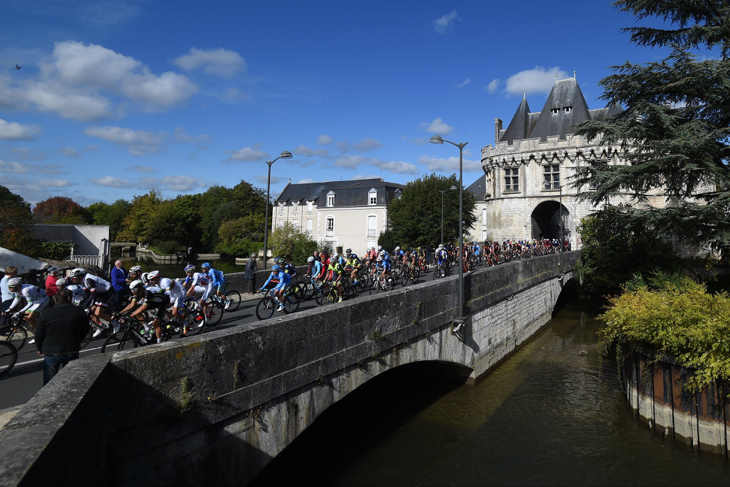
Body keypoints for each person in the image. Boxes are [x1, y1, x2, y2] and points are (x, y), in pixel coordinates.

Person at [35, 288, 90, 385]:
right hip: (71, 349)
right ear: (69, 298)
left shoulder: (46, 314)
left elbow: (39, 334)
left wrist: (39, 348)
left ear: (56, 299)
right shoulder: (78, 311)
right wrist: (78, 340)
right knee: (71, 381)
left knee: (49, 382)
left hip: (51, 350)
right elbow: (86, 329)